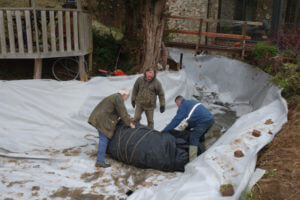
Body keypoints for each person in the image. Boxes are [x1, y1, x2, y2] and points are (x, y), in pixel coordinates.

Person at [88, 89, 135, 168]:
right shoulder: (118, 98)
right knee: (104, 139)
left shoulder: (115, 97)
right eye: (127, 97)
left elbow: (119, 111)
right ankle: (100, 161)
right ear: (124, 95)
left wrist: (129, 117)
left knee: (104, 139)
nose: (126, 99)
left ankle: (101, 157)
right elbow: (122, 112)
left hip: (101, 118)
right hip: (103, 120)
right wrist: (129, 124)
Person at [162, 95, 214, 162]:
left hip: (203, 122)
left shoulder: (183, 106)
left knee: (193, 137)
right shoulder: (191, 102)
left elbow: (176, 120)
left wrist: (165, 130)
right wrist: (187, 128)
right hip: (210, 120)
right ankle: (201, 146)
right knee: (200, 134)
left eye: (176, 104)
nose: (177, 106)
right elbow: (193, 118)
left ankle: (193, 160)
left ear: (178, 102)